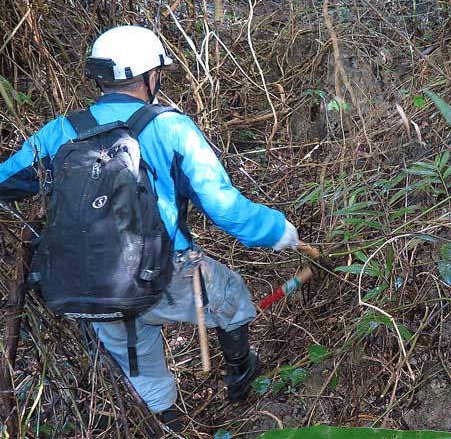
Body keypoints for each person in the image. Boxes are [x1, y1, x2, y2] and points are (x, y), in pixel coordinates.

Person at [0, 25, 299, 432]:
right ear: (148, 76)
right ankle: (240, 374)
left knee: (138, 361)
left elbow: (8, 180)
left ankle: (169, 424)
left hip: (88, 281)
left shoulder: (62, 131)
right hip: (165, 273)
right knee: (230, 295)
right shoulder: (170, 128)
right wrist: (277, 231)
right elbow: (223, 206)